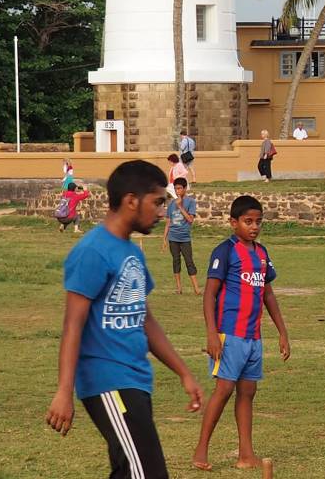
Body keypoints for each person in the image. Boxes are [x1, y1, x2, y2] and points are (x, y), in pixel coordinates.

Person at [46, 160, 204, 479]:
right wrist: (64, 391)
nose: (161, 212)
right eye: (156, 202)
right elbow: (73, 325)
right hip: (108, 381)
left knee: (129, 471)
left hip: (135, 379)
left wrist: (183, 372)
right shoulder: (92, 251)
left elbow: (145, 320)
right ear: (131, 200)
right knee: (148, 472)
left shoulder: (132, 253)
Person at [192, 195, 290, 471]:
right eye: (248, 221)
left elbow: (268, 295)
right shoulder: (225, 251)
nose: (254, 227)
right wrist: (212, 334)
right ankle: (201, 450)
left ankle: (246, 455)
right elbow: (209, 295)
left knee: (247, 392)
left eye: (258, 222)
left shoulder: (262, 254)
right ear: (233, 223)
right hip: (229, 335)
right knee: (224, 389)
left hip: (253, 337)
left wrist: (282, 332)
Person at [166, 178, 200, 296]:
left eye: (180, 188)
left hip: (185, 238)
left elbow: (190, 220)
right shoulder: (171, 204)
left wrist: (180, 206)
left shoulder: (191, 202)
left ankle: (196, 289)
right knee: (176, 261)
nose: (177, 191)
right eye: (176, 189)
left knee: (189, 261)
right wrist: (164, 238)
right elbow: (168, 221)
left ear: (185, 188)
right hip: (172, 237)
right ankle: (179, 288)